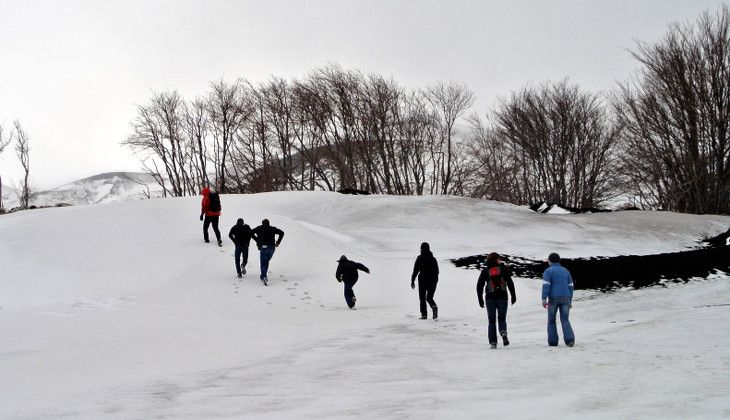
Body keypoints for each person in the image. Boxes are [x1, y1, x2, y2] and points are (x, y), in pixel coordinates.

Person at [476, 252, 517, 349]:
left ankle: (493, 343)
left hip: (490, 298)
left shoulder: (485, 271)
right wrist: (513, 296)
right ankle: (503, 333)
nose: (500, 260)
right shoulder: (503, 269)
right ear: (496, 259)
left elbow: (479, 286)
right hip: (502, 297)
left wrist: (480, 299)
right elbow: (510, 283)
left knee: (491, 321)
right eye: (499, 259)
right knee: (502, 319)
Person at [542, 252, 575, 347]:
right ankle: (569, 340)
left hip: (553, 299)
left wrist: (544, 299)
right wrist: (570, 300)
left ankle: (553, 342)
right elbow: (571, 286)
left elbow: (546, 286)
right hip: (566, 298)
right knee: (565, 319)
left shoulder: (548, 271)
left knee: (551, 320)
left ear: (550, 261)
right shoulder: (566, 271)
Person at [251, 219, 284, 285]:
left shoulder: (259, 228)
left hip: (264, 247)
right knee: (266, 261)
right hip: (272, 248)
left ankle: (264, 276)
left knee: (263, 262)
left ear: (262, 223)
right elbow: (282, 233)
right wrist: (278, 242)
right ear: (269, 223)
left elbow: (250, 232)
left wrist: (257, 240)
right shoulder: (272, 228)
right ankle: (264, 275)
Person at [411, 242, 439, 320]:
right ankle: (434, 307)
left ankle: (424, 315)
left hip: (422, 280)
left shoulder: (419, 258)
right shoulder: (433, 259)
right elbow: (437, 272)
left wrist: (412, 280)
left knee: (422, 298)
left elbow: (415, 270)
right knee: (429, 298)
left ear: (421, 249)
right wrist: (435, 281)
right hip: (433, 281)